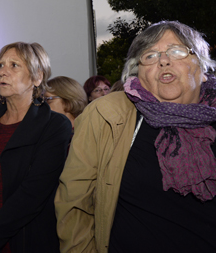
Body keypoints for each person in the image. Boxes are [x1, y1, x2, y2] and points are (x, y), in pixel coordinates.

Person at [55, 21, 216, 252]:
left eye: (178, 51)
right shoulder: (106, 115)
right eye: (150, 55)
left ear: (202, 69)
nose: (163, 60)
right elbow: (74, 203)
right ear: (137, 74)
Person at [0, 42, 72, 252]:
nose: (3, 72)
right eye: (1, 65)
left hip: (31, 240)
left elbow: (32, 195)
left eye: (14, 65)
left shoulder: (55, 126)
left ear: (37, 77)